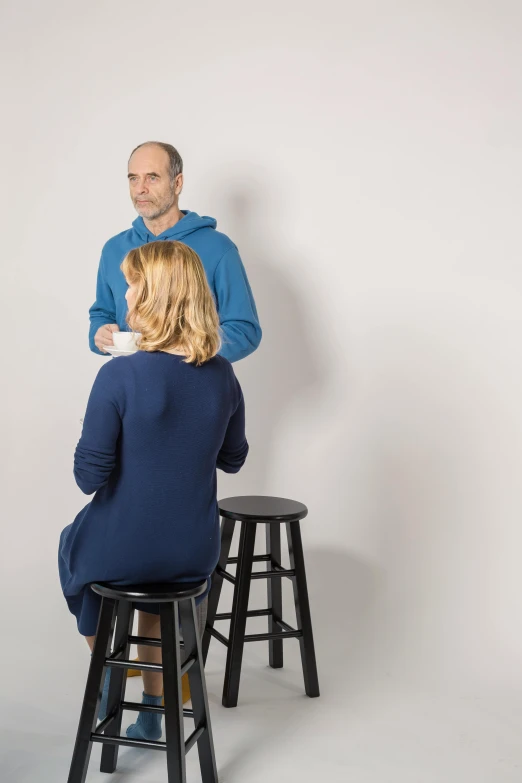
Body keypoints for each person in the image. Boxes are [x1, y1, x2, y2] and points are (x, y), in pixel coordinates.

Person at [59, 240, 249, 741]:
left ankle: (106, 675)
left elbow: (87, 478)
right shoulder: (223, 375)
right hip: (194, 553)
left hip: (126, 548)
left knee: (72, 544)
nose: (125, 292)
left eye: (133, 283)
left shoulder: (118, 374)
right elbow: (233, 459)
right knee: (152, 597)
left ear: (154, 296)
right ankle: (152, 707)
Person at [89, 140, 262, 362]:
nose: (141, 188)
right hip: (133, 386)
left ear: (177, 183)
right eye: (134, 178)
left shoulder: (218, 248)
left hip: (193, 386)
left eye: (152, 177)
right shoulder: (114, 249)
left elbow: (244, 331)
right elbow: (102, 313)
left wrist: (184, 353)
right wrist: (101, 332)